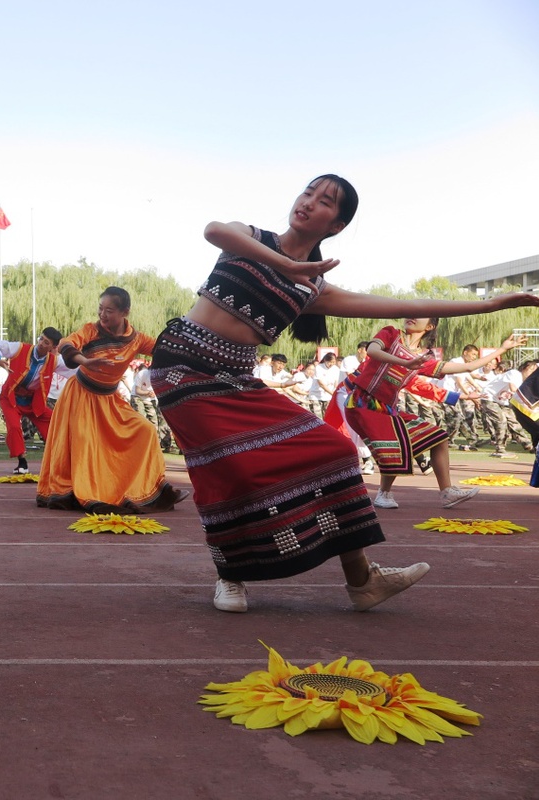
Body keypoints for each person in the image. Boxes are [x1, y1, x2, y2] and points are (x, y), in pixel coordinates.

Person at [149, 174, 539, 613]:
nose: (309, 202)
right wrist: (288, 266)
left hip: (238, 378)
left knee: (334, 449)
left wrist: (489, 305)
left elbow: (403, 307)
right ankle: (231, 576)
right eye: (308, 192)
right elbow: (213, 230)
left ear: (336, 226)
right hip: (182, 368)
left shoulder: (315, 289)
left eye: (325, 202)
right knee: (229, 468)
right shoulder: (248, 237)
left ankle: (363, 581)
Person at [332, 319, 522, 510]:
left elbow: (466, 368)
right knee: (395, 444)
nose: (412, 315)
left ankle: (444, 492)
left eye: (420, 314)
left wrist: (502, 349)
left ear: (429, 327)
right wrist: (407, 362)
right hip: (362, 403)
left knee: (439, 438)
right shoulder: (391, 334)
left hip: (387, 409)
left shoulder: (422, 360)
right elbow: (373, 351)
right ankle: (377, 490)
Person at [38, 287, 189, 514]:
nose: (102, 314)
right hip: (81, 396)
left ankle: (151, 489)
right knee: (85, 443)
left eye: (109, 310)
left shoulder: (136, 339)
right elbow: (67, 345)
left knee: (146, 431)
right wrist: (85, 362)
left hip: (109, 400)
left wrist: (187, 343)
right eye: (100, 309)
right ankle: (86, 491)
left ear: (124, 312)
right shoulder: (91, 331)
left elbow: (164, 351)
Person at [0, 327, 71, 474]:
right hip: (10, 397)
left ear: (53, 347)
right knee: (14, 427)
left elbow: (76, 369)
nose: (41, 344)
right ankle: (22, 461)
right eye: (41, 339)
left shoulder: (55, 361)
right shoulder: (19, 349)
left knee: (55, 423)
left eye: (46, 342)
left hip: (33, 402)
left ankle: (61, 460)